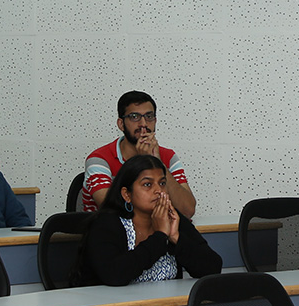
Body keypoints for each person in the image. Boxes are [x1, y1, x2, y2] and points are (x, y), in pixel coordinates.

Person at [78, 155, 221, 286]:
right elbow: (115, 275)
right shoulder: (106, 223)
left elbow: (213, 268)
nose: (159, 190)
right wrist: (159, 237)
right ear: (127, 194)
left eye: (162, 183)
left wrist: (175, 237)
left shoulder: (172, 217)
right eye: (147, 184)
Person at [82, 91, 196, 217]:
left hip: (158, 232)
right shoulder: (99, 159)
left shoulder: (168, 157)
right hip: (111, 233)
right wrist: (144, 162)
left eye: (149, 116)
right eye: (134, 117)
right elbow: (112, 211)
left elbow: (187, 210)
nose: (143, 124)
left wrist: (156, 162)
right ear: (121, 124)